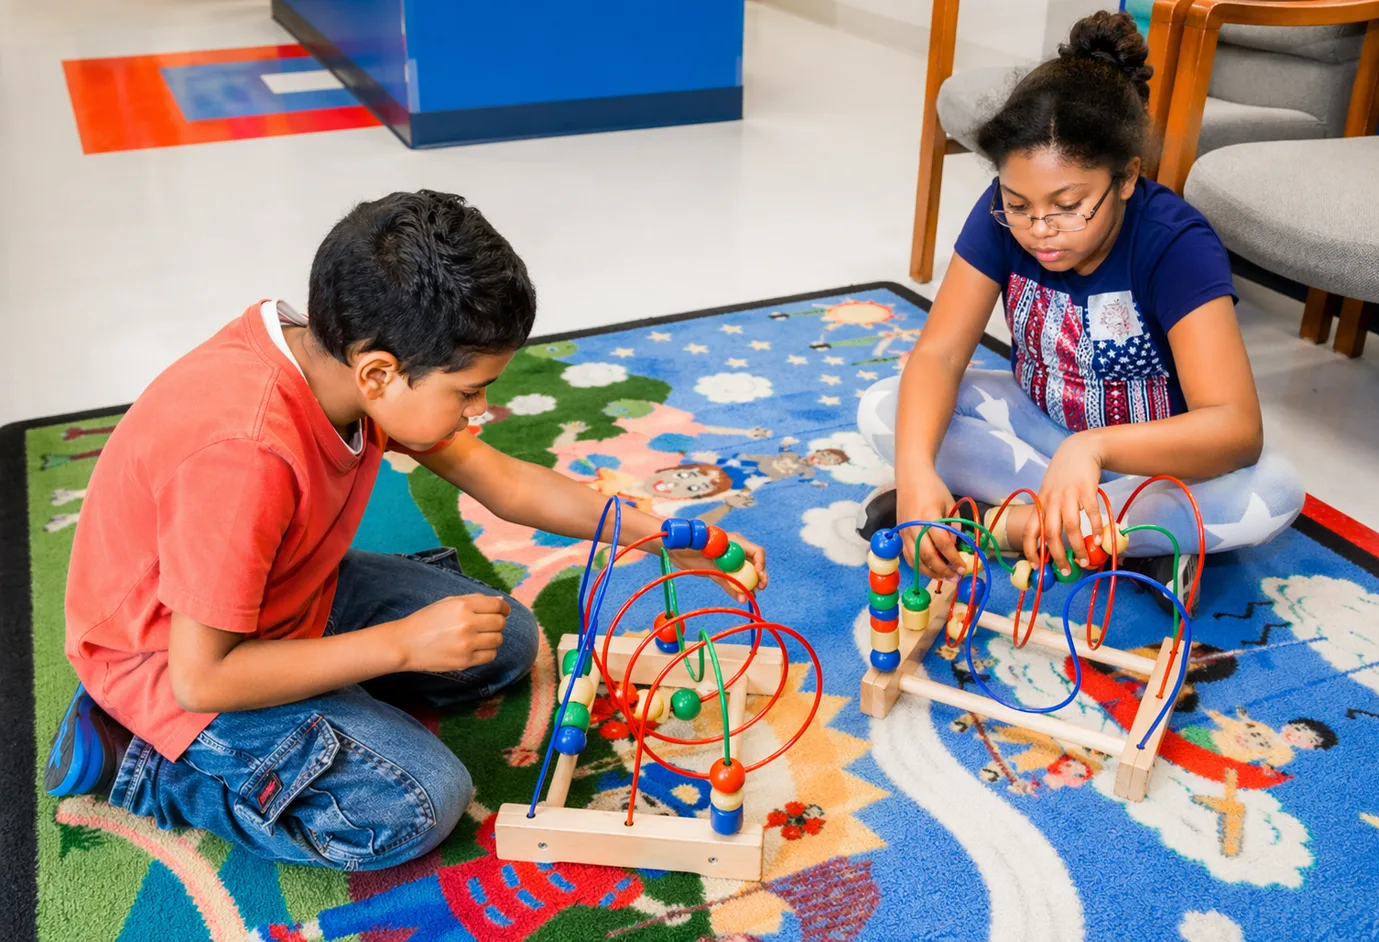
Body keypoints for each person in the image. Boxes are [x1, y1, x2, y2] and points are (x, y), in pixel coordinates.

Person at [44, 190, 768, 871]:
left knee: (505, 642)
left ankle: (330, 697)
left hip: (286, 594)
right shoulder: (245, 456)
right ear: (381, 373)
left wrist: (669, 537)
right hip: (171, 660)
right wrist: (400, 645)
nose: (480, 409)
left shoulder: (346, 364)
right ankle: (138, 761)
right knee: (418, 803)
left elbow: (507, 483)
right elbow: (202, 677)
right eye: (469, 391)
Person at [857, 11, 1303, 610]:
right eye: (1019, 205)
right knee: (886, 408)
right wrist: (915, 475)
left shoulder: (1175, 243)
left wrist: (1090, 450)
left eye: (1069, 205)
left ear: (1126, 177)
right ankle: (1097, 539)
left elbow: (1235, 427)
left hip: (1139, 465)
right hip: (1036, 427)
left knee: (1273, 492)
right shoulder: (1001, 215)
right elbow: (937, 354)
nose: (1040, 230)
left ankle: (1004, 525)